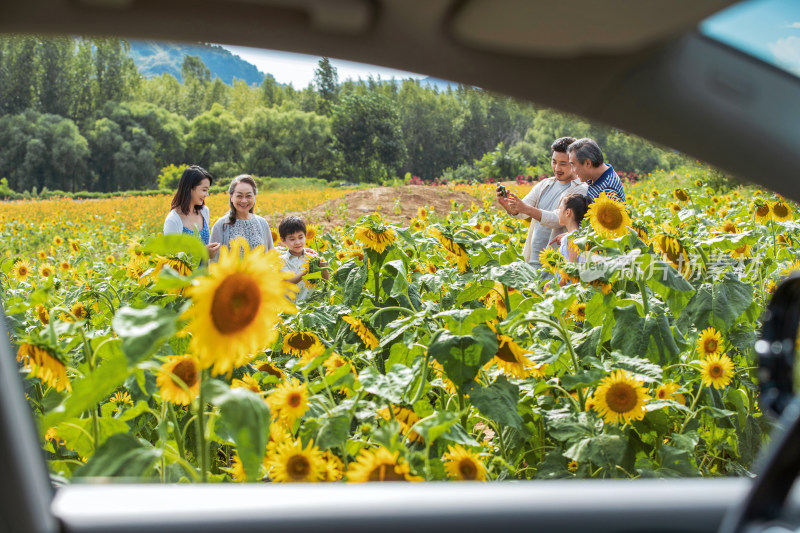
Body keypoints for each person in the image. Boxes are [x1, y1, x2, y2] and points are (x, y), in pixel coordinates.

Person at [497, 136, 588, 270]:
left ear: (574, 162)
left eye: (563, 163)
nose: (557, 168)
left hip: (557, 264)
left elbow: (559, 219)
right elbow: (522, 211)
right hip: (532, 260)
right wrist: (509, 205)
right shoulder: (545, 184)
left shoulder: (580, 189)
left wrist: (526, 209)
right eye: (554, 162)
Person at [209, 174, 274, 259]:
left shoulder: (263, 223)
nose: (244, 200)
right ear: (231, 197)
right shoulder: (220, 226)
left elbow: (271, 255)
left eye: (248, 196)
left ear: (254, 196)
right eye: (239, 196)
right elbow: (214, 262)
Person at [163, 165, 221, 260]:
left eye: (208, 190)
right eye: (204, 190)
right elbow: (171, 257)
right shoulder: (173, 220)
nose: (207, 194)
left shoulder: (204, 211)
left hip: (204, 273)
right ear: (190, 188)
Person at [277, 215, 328, 302]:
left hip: (310, 307)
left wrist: (324, 268)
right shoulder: (281, 260)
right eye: (292, 239)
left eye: (300, 237)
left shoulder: (313, 258)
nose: (297, 242)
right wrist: (307, 271)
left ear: (305, 236)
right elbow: (287, 282)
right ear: (283, 240)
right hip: (289, 310)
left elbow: (325, 281)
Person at [566, 138, 626, 202]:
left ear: (588, 163)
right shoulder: (593, 176)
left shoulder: (608, 191)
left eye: (573, 165)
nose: (572, 170)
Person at [556, 193, 590, 263]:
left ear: (567, 212)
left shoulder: (572, 238)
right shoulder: (576, 235)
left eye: (560, 209)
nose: (558, 212)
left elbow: (572, 269)